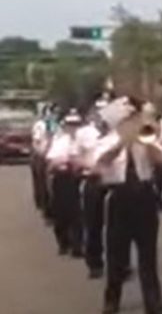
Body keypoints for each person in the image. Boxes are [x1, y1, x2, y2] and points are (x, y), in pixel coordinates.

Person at [95, 96, 162, 314]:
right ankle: (112, 300)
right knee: (116, 255)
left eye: (134, 118)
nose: (132, 123)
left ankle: (153, 301)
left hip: (144, 196)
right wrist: (121, 144)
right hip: (119, 197)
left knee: (148, 254)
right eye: (128, 119)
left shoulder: (147, 138)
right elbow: (99, 165)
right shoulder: (106, 140)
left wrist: (144, 143)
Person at [47, 110, 85, 258]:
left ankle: (78, 246)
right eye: (70, 124)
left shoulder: (86, 139)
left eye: (76, 124)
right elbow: (51, 164)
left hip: (79, 178)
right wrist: (63, 161)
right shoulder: (60, 141)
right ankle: (63, 243)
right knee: (61, 213)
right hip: (63, 178)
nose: (73, 128)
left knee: (78, 214)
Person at [78, 100, 109, 278]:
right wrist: (89, 164)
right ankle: (94, 262)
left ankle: (121, 263)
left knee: (118, 227)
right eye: (99, 110)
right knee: (93, 224)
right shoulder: (84, 133)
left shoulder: (117, 133)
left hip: (114, 182)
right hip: (93, 180)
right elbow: (76, 155)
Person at [30, 105, 53, 222]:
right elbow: (37, 141)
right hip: (42, 156)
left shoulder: (56, 125)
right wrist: (44, 154)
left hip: (53, 156)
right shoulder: (40, 125)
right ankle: (46, 211)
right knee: (42, 184)